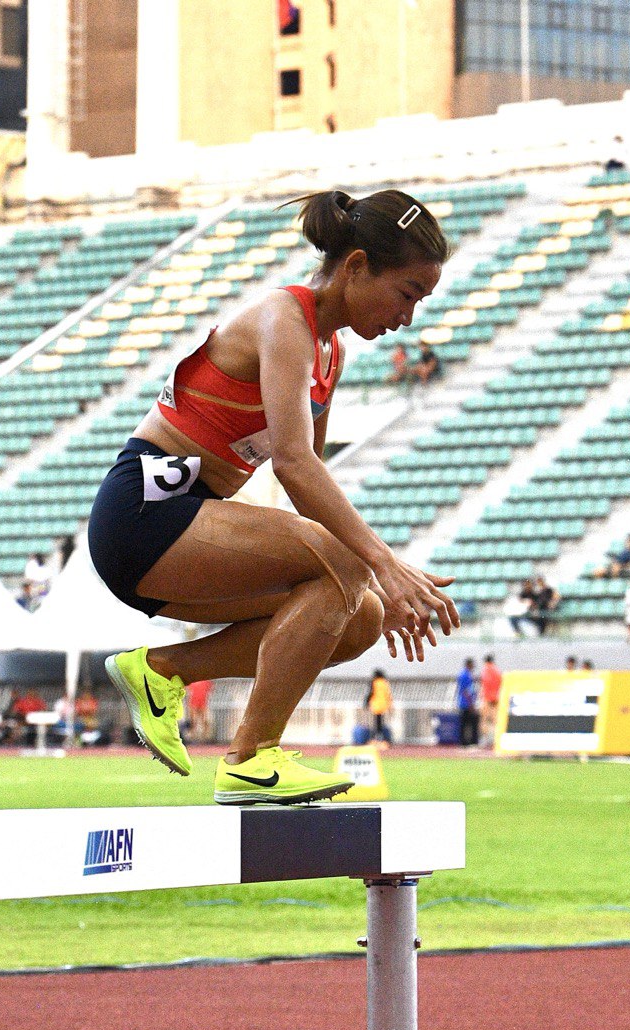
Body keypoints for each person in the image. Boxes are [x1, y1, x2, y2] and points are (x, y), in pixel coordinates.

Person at [88, 188, 457, 805]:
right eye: (407, 294)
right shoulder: (285, 320)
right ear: (357, 266)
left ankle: (160, 673)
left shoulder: (328, 352)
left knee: (359, 614)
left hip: (197, 522)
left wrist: (366, 585)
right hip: (144, 517)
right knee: (350, 568)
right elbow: (294, 465)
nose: (408, 318)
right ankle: (250, 760)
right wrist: (385, 567)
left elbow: (306, 489)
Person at [364, 668, 393, 744]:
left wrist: (366, 702)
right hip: (383, 704)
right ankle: (380, 737)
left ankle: (377, 738)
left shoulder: (374, 682)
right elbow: (388, 694)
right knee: (380, 722)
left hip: (376, 704)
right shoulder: (384, 682)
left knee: (376, 723)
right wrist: (389, 705)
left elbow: (370, 692)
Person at [479, 654, 501, 747]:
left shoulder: (486, 669)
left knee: (484, 719)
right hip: (496, 697)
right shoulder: (497, 670)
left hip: (487, 697)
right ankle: (496, 739)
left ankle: (484, 739)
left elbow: (485, 683)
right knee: (495, 719)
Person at [456, 658, 479, 747]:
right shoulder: (464, 675)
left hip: (468, 702)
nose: (473, 666)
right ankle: (466, 742)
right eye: (472, 664)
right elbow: (465, 690)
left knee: (469, 723)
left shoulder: (468, 674)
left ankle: (468, 742)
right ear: (468, 664)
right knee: (466, 723)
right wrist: (471, 704)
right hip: (466, 704)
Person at [185, 679, 214, 743]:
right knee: (193, 721)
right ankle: (193, 737)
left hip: (203, 703)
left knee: (205, 720)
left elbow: (210, 690)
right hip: (193, 703)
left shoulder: (206, 681)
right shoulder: (192, 681)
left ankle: (205, 737)